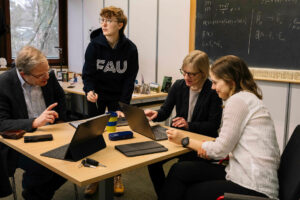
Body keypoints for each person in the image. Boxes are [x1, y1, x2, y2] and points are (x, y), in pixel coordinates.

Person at [160, 55, 280, 200]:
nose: (213, 87)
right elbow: (229, 145)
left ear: (231, 82)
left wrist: (184, 140)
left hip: (252, 185)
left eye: (216, 82)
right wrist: (211, 149)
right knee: (179, 170)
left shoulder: (237, 101)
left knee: (189, 191)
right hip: (242, 172)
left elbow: (219, 149)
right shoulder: (246, 98)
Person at [144, 50, 223, 196]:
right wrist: (156, 114)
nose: (187, 77)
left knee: (181, 168)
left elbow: (213, 125)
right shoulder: (179, 85)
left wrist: (188, 125)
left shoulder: (213, 91)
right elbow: (165, 111)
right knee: (153, 161)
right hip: (178, 140)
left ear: (203, 73)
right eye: (184, 72)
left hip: (201, 142)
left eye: (192, 74)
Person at [82, 6, 139, 197]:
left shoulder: (130, 49)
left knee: (116, 136)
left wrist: (123, 104)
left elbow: (129, 79)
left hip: (117, 97)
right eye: (101, 20)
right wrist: (89, 90)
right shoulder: (94, 46)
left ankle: (117, 176)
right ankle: (94, 178)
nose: (103, 24)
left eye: (109, 20)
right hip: (97, 96)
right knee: (94, 136)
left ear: (120, 25)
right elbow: (88, 74)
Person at [0, 46, 67, 200]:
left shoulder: (47, 76)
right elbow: (2, 123)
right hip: (20, 142)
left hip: (52, 135)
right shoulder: (4, 83)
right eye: (41, 75)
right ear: (23, 74)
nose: (47, 77)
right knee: (44, 166)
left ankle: (34, 195)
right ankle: (35, 195)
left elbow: (61, 99)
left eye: (48, 71)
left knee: (74, 159)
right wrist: (35, 122)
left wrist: (61, 119)